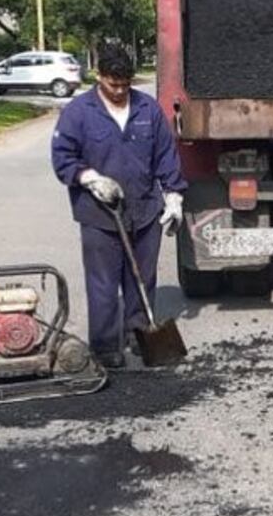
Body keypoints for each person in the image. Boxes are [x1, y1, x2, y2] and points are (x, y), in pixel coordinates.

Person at [51, 44, 187, 369]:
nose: (120, 91)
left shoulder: (148, 110)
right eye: (113, 84)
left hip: (144, 210)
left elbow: (165, 155)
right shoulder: (79, 112)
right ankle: (105, 347)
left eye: (125, 84)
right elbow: (62, 158)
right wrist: (89, 177)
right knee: (103, 284)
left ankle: (140, 334)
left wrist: (173, 196)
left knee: (143, 278)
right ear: (99, 77)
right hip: (99, 215)